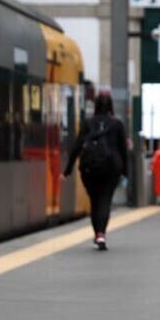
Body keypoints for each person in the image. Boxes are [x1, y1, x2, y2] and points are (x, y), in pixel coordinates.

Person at [64, 92, 127, 250]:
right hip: (111, 167)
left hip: (89, 168)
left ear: (96, 105)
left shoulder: (87, 123)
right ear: (110, 105)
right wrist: (126, 172)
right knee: (105, 200)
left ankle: (97, 234)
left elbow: (77, 146)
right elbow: (123, 150)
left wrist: (67, 169)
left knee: (95, 201)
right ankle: (101, 234)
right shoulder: (117, 124)